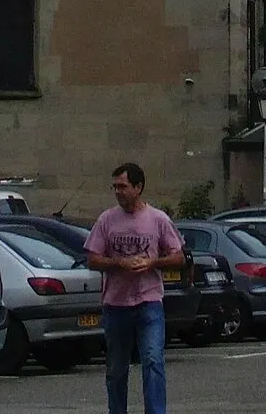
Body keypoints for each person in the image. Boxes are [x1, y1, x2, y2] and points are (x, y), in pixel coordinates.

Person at [85, 160, 185, 414]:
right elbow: (92, 258)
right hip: (116, 305)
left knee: (152, 360)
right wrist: (119, 263)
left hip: (149, 303)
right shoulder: (107, 220)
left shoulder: (157, 219)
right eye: (115, 187)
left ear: (138, 187)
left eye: (123, 186)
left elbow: (178, 257)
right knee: (116, 368)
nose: (118, 192)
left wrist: (153, 262)